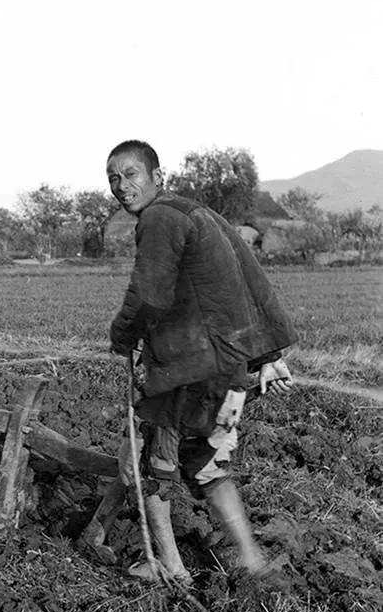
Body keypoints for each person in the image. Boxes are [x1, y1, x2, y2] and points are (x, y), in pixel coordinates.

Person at [95, 140, 297, 583]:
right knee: (210, 465)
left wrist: (121, 337)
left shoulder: (160, 218)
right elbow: (249, 283)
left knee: (153, 464)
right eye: (113, 177)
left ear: (157, 176)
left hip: (186, 369)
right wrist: (266, 354)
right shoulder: (198, 214)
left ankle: (171, 569)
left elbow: (149, 294)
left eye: (130, 174)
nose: (121, 186)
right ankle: (250, 557)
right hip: (227, 370)